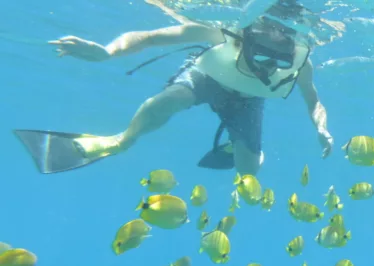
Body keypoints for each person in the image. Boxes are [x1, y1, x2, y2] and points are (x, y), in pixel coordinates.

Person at [18, 2, 333, 175]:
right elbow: (152, 36)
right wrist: (106, 52)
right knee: (168, 100)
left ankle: (240, 149)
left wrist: (321, 127)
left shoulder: (300, 64)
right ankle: (123, 140)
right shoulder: (221, 37)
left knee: (248, 172)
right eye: (262, 54)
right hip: (207, 79)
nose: (267, 65)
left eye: (279, 60)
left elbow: (313, 99)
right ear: (247, 40)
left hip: (248, 101)